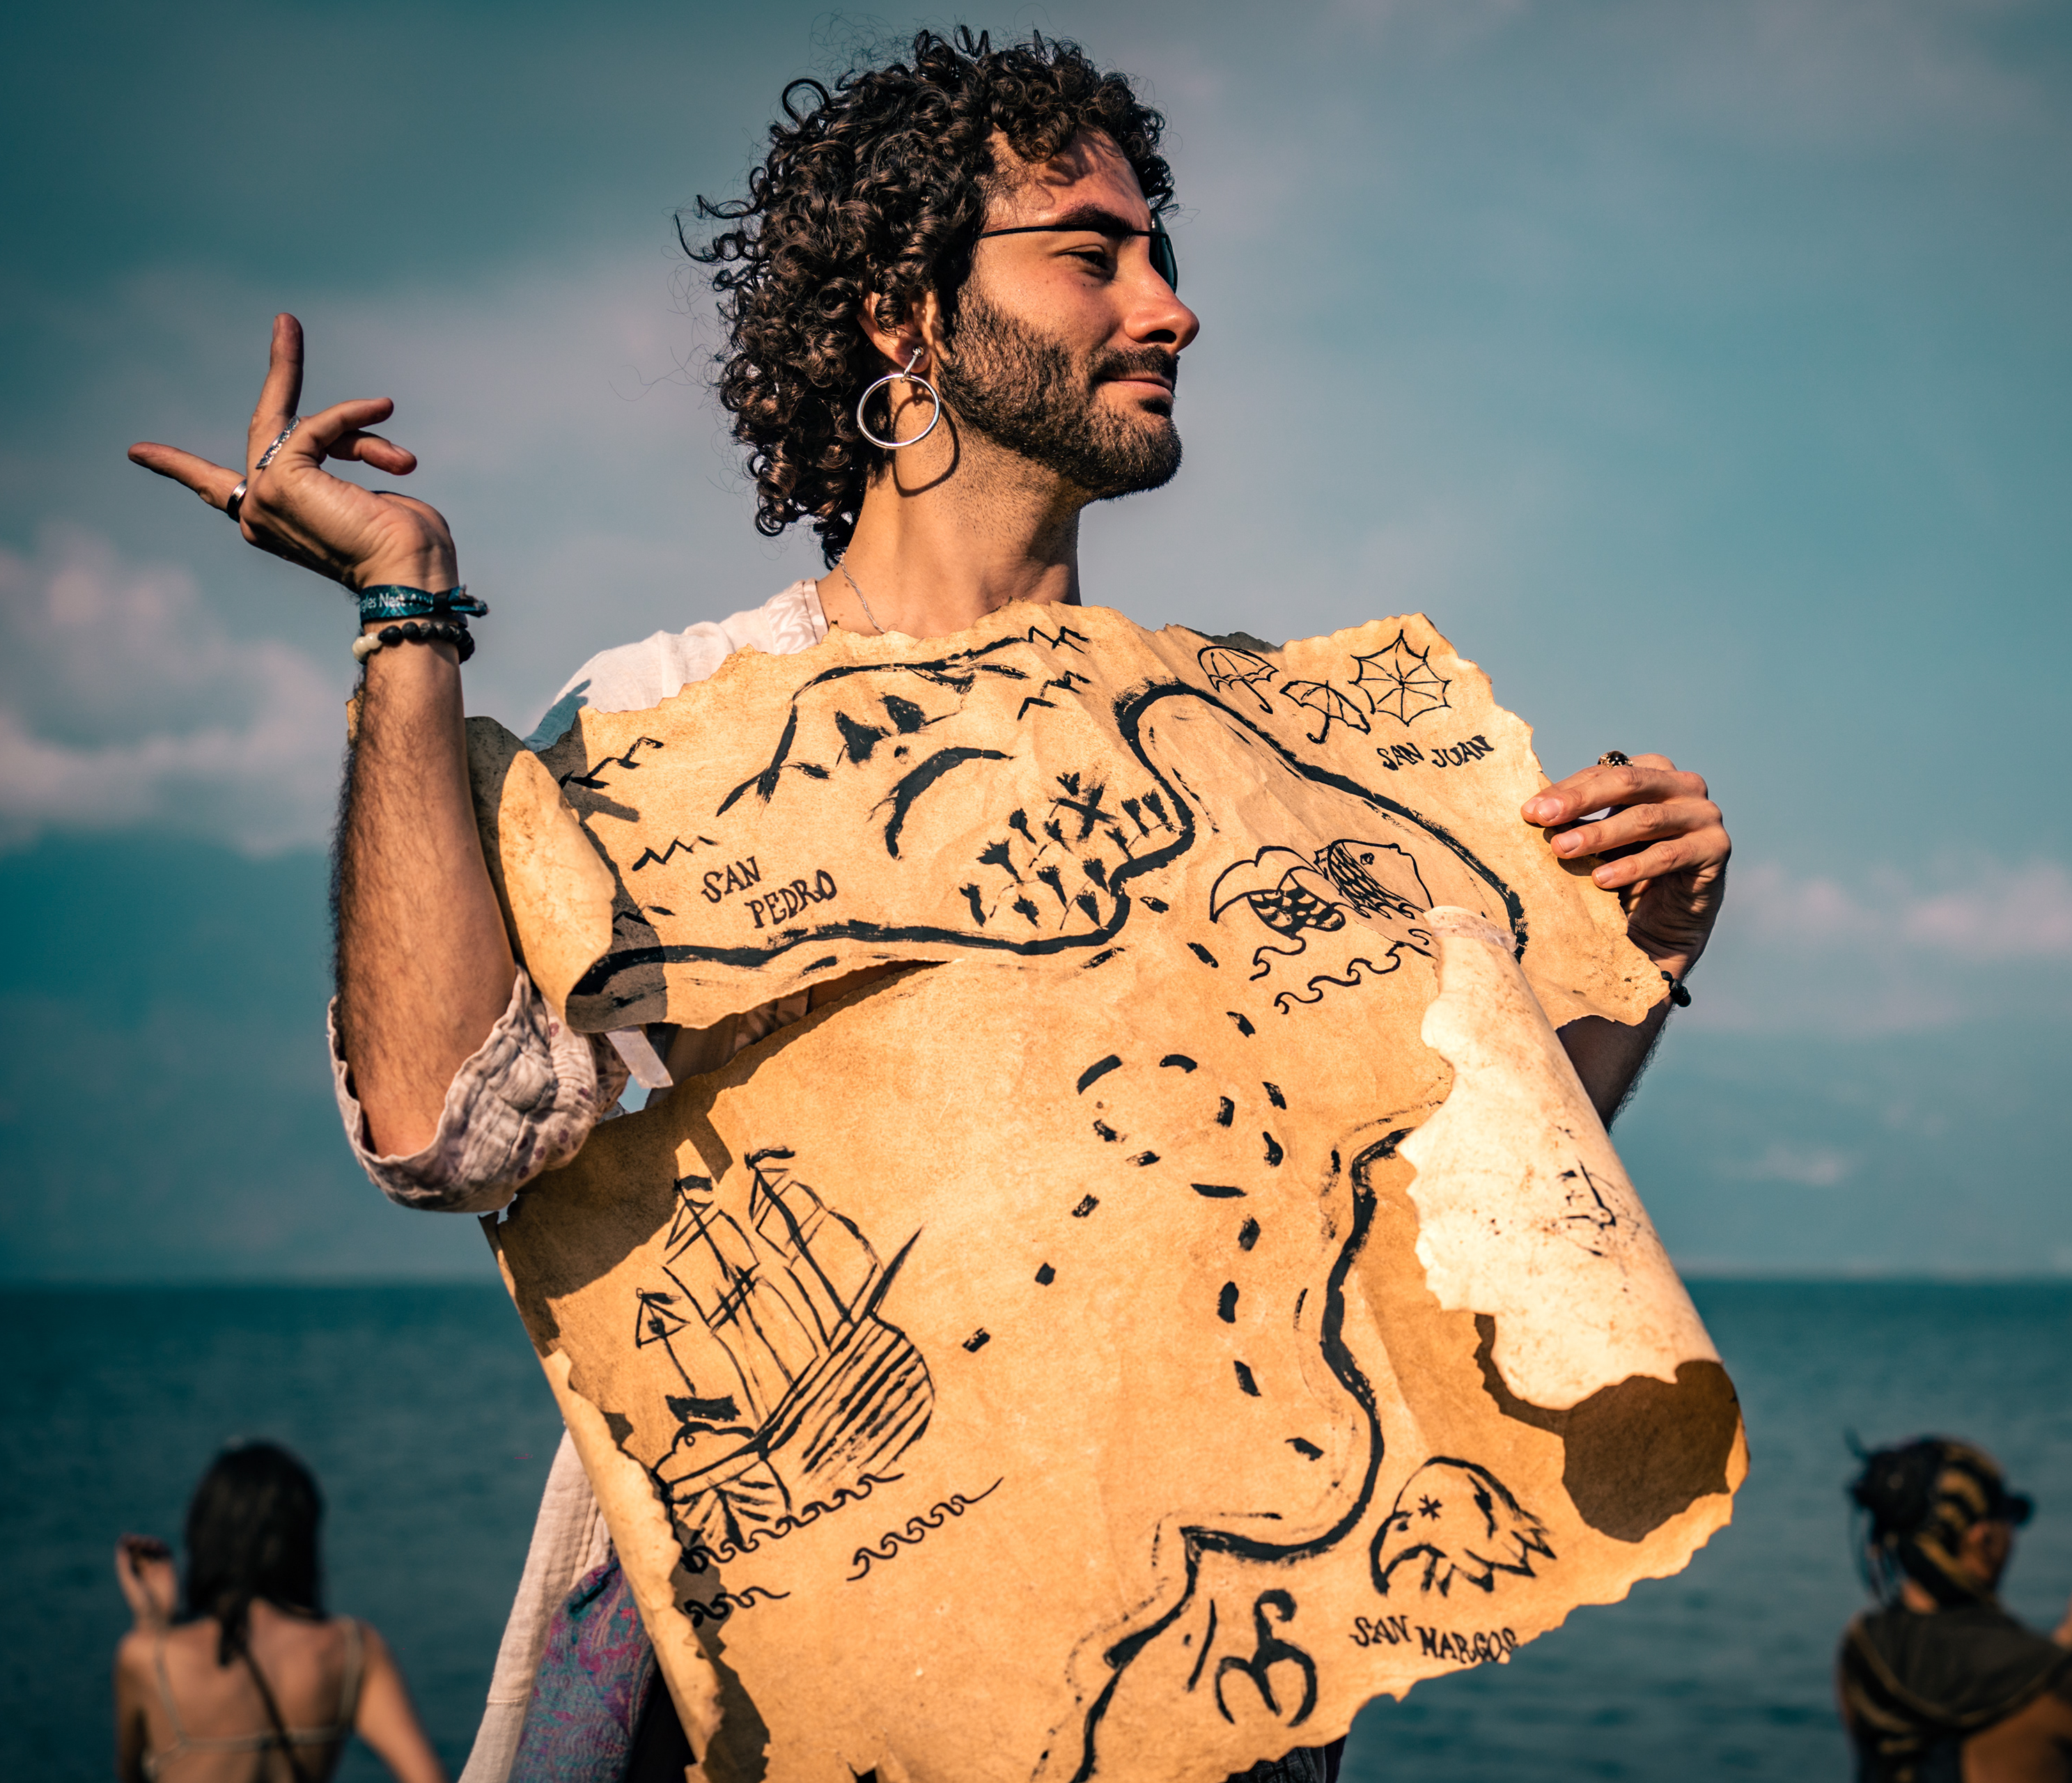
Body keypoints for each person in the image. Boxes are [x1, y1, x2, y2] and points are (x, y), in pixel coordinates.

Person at [127, 29, 1733, 1780]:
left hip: (1191, 1685)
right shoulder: (685, 718)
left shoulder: (1245, 755)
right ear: (904, 315)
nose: (1169, 304)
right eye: (1089, 251)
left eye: (1162, 251)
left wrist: (1622, 973)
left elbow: (1435, 1220)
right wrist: (407, 605)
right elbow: (452, 1125)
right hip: (791, 1678)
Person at [1835, 1438, 2072, 1783]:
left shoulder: (1862, 1648)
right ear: (1983, 1540)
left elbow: (1957, 1711)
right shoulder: (2048, 1683)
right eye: (2011, 1516)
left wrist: (2067, 1643)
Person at [114, 1442, 445, 1783]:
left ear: (204, 1533)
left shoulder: (146, 1659)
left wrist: (154, 1625)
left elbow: (134, 1776)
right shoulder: (354, 1649)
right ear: (302, 1537)